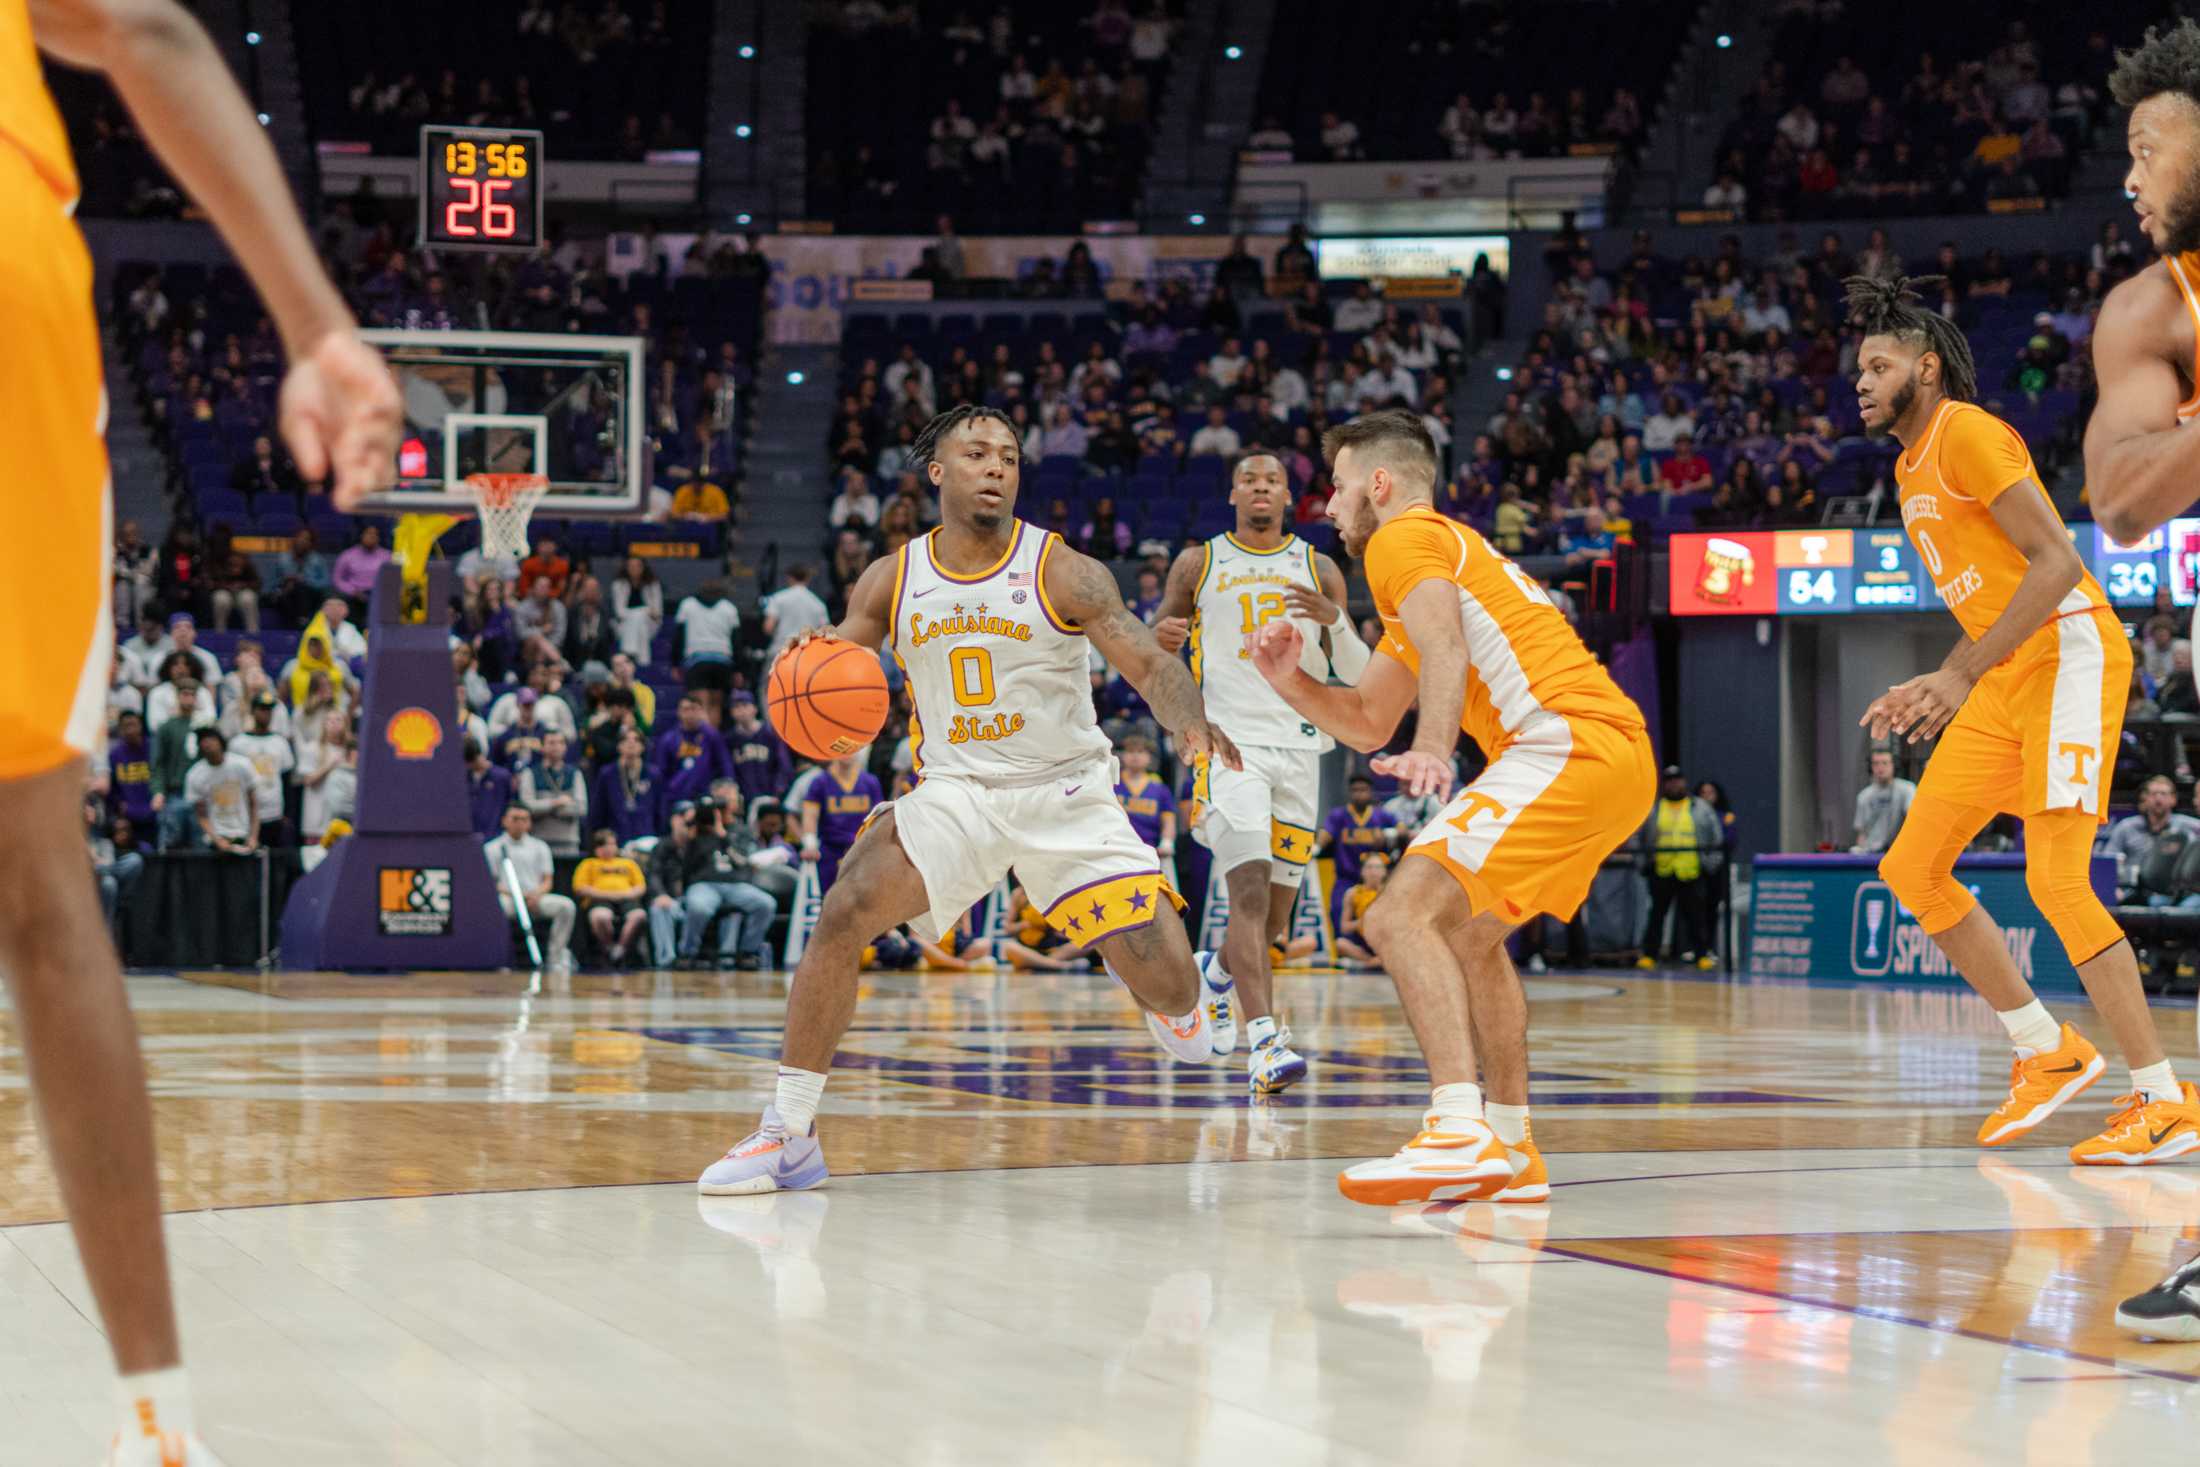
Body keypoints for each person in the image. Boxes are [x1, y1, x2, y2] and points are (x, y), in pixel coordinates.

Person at [696, 405, 1243, 1195]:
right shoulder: (893, 576)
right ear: (938, 472)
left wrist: (1192, 727)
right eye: (977, 451)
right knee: (845, 905)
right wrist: (807, 664)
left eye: (1010, 457)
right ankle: (788, 1133)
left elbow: (1147, 666)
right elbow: (845, 651)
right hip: (958, 791)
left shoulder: (1064, 569)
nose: (996, 466)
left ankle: (1190, 1002)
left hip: (1067, 792)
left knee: (1172, 993)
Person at [1249, 409, 1655, 1208]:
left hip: (1565, 744)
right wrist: (1290, 682)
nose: (1327, 509)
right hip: (1609, 756)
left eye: (1335, 487)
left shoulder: (1405, 538)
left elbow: (1447, 651)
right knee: (1469, 937)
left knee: (1397, 918)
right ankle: (1509, 1144)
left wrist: (1436, 746)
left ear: (1381, 483)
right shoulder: (1437, 566)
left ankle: (1456, 1127)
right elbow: (1369, 720)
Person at [1846, 271, 2195, 1167]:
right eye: (1858, 367)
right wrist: (1943, 680)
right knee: (1912, 866)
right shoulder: (1905, 464)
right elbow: (1988, 594)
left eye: (1878, 365)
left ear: (1926, 369)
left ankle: (2162, 1098)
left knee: (2059, 882)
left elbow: (2056, 563)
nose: (1861, 381)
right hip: (2005, 676)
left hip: (2068, 651)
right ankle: (2045, 1048)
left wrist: (1958, 671)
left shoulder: (1967, 433)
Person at [1151, 446, 1365, 1094]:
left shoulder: (1318, 567)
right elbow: (1161, 655)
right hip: (1228, 746)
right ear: (1234, 494)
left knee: (1269, 925)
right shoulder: (1199, 561)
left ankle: (1216, 975)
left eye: (1273, 478)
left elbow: (1357, 674)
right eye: (1249, 478)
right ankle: (1264, 1042)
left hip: (1299, 749)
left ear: (1287, 495)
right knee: (1244, 893)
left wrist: (1338, 625)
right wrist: (1160, 638)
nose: (1262, 487)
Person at [1635, 765, 1721, 970]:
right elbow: (1641, 838)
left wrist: (1709, 864)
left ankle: (1702, 953)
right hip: (1663, 870)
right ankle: (1650, 954)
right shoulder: (1654, 809)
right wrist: (1645, 865)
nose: (1675, 783)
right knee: (1656, 916)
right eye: (1670, 780)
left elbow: (1716, 837)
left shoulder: (1699, 807)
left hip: (1690, 870)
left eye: (1678, 779)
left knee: (1696, 917)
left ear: (1684, 781)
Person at [484, 803, 575, 974]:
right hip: (509, 898)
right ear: (504, 821)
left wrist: (536, 895)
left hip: (536, 898)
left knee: (566, 906)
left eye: (524, 819)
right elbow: (491, 883)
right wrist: (517, 895)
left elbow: (548, 880)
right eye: (515, 819)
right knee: (496, 909)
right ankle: (501, 957)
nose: (519, 823)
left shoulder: (540, 847)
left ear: (529, 823)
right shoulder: (492, 848)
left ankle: (555, 958)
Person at [2102, 774, 2200, 904]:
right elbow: (2108, 862)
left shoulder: (2189, 826)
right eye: (2154, 794)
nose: (2158, 798)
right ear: (2145, 798)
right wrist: (2113, 888)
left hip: (2170, 890)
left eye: (2163, 794)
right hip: (2131, 888)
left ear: (2173, 799)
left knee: (2159, 901)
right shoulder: (2127, 827)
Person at [1320, 775, 1397, 931]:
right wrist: (1316, 847)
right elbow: (1326, 832)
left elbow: (1402, 828)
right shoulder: (1338, 815)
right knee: (1337, 909)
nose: (1359, 794)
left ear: (1371, 792)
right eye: (1355, 790)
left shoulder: (1381, 815)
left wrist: (1389, 833)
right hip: (1346, 877)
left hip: (1375, 878)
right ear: (1349, 793)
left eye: (1363, 790)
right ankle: (1342, 950)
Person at [800, 751, 882, 896]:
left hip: (861, 851)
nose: (847, 754)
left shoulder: (870, 782)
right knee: (828, 899)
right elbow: (810, 816)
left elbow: (878, 818)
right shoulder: (819, 782)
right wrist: (810, 844)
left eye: (851, 750)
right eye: (842, 750)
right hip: (830, 851)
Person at [572, 828, 649, 966]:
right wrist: (609, 894)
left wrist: (626, 894)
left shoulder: (628, 863)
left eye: (613, 844)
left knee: (639, 915)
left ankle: (620, 948)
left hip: (627, 899)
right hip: (599, 900)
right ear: (597, 848)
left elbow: (641, 887)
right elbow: (580, 888)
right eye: (605, 845)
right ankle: (608, 947)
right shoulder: (588, 864)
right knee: (601, 917)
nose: (610, 848)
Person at [226, 693, 295, 848]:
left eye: (269, 710)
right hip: (246, 812)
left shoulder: (280, 742)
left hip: (274, 811)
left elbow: (286, 778)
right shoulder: (238, 743)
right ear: (253, 711)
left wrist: (287, 813)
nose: (266, 714)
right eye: (262, 709)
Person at [673, 581, 741, 724]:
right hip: (722, 661)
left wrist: (675, 663)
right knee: (715, 706)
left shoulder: (687, 605)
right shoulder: (729, 608)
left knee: (700, 705)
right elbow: (737, 641)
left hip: (697, 661)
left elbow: (678, 637)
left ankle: (704, 742)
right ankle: (712, 737)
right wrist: (739, 669)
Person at [184, 728, 259, 856]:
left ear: (221, 742)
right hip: (215, 838)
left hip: (244, 834)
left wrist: (253, 837)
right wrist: (217, 840)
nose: (207, 743)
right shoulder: (195, 774)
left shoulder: (242, 765)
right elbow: (201, 815)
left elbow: (254, 805)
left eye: (211, 739)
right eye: (203, 740)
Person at [653, 694, 733, 806]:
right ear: (679, 712)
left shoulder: (712, 736)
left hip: (707, 798)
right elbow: (661, 772)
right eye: (686, 709)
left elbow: (725, 764)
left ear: (701, 712)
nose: (690, 714)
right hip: (676, 799)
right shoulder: (668, 739)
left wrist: (728, 786)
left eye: (694, 709)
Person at [517, 729, 587, 855]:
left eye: (560, 743)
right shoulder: (530, 773)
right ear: (542, 747)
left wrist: (543, 806)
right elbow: (527, 806)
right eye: (551, 743)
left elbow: (581, 808)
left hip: (568, 842)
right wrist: (555, 803)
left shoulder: (575, 773)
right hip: (538, 841)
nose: (556, 747)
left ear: (565, 747)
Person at [1112, 735, 1177, 856]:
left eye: (1140, 752)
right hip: (1116, 848)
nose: (1135, 756)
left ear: (1149, 757)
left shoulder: (1160, 789)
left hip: (1150, 850)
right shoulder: (1111, 784)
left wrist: (1167, 842)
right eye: (1130, 751)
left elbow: (1168, 821)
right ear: (1123, 756)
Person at [725, 691, 792, 805]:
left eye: (745, 705)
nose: (741, 710)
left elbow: (784, 765)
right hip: (744, 800)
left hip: (770, 798)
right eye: (736, 707)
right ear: (731, 712)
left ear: (755, 708)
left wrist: (778, 792)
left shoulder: (770, 734)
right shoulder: (729, 739)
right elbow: (729, 771)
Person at [761, 564, 831, 668]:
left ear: (789, 578)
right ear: (808, 578)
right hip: (807, 653)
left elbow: (768, 627)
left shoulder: (778, 598)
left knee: (771, 683)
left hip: (781, 650)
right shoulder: (818, 604)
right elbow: (825, 632)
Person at [1851, 748, 1917, 853]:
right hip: (1871, 854)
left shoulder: (1907, 789)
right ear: (1870, 767)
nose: (1880, 767)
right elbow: (1862, 832)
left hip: (1900, 853)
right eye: (1876, 764)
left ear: (1894, 765)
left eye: (1885, 763)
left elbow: (1914, 820)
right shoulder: (1864, 796)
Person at [1335, 852, 1389, 966]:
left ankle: (1370, 963)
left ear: (1384, 871)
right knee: (1340, 944)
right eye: (1369, 867)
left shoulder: (1390, 893)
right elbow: (1344, 927)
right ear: (1362, 871)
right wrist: (1361, 922)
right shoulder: (1352, 893)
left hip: (1384, 942)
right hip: (1363, 942)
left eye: (1378, 867)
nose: (1373, 871)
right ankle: (1372, 962)